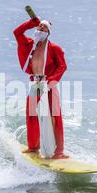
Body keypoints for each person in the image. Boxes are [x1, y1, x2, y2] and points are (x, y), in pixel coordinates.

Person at [13, 16, 69, 159]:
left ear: (48, 32)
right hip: (35, 84)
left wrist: (52, 81)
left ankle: (59, 151)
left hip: (49, 84)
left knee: (55, 116)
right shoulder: (28, 44)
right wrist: (30, 23)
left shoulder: (55, 48)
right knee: (31, 115)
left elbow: (62, 66)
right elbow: (17, 33)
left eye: (44, 27)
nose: (41, 28)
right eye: (39, 26)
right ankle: (33, 147)